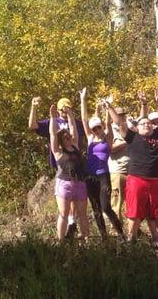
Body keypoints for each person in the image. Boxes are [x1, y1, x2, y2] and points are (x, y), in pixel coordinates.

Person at [106, 91, 158, 250]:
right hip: (136, 179)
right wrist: (109, 107)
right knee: (134, 212)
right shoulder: (132, 137)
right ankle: (131, 241)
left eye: (149, 123)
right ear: (137, 127)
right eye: (143, 124)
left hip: (156, 180)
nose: (146, 125)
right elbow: (120, 123)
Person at [29, 96, 85, 238]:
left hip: (77, 171)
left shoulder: (75, 127)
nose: (64, 113)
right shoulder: (52, 124)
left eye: (67, 110)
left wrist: (81, 105)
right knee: (64, 206)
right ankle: (64, 235)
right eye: (63, 110)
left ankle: (74, 225)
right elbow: (34, 126)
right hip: (61, 167)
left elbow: (82, 126)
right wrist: (36, 108)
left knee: (78, 206)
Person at [80, 88, 124, 240]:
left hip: (103, 176)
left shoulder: (108, 137)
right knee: (96, 209)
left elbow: (109, 122)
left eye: (98, 127)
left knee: (106, 207)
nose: (96, 130)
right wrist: (83, 100)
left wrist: (107, 106)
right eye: (94, 128)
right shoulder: (90, 138)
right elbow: (84, 120)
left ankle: (121, 233)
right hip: (90, 176)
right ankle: (104, 237)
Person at [47, 104, 89, 241]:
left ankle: (86, 238)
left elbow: (73, 128)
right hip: (64, 183)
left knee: (83, 214)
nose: (69, 138)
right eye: (65, 137)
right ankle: (61, 240)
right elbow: (53, 134)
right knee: (64, 213)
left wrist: (70, 114)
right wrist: (53, 117)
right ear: (61, 140)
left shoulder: (75, 146)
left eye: (69, 137)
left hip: (79, 183)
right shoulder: (58, 151)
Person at [108, 107, 130, 223]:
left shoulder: (128, 128)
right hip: (117, 170)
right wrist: (126, 141)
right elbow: (110, 149)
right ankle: (115, 229)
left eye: (123, 115)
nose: (121, 117)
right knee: (116, 201)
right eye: (119, 115)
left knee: (131, 201)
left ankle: (132, 229)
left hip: (131, 171)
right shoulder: (109, 130)